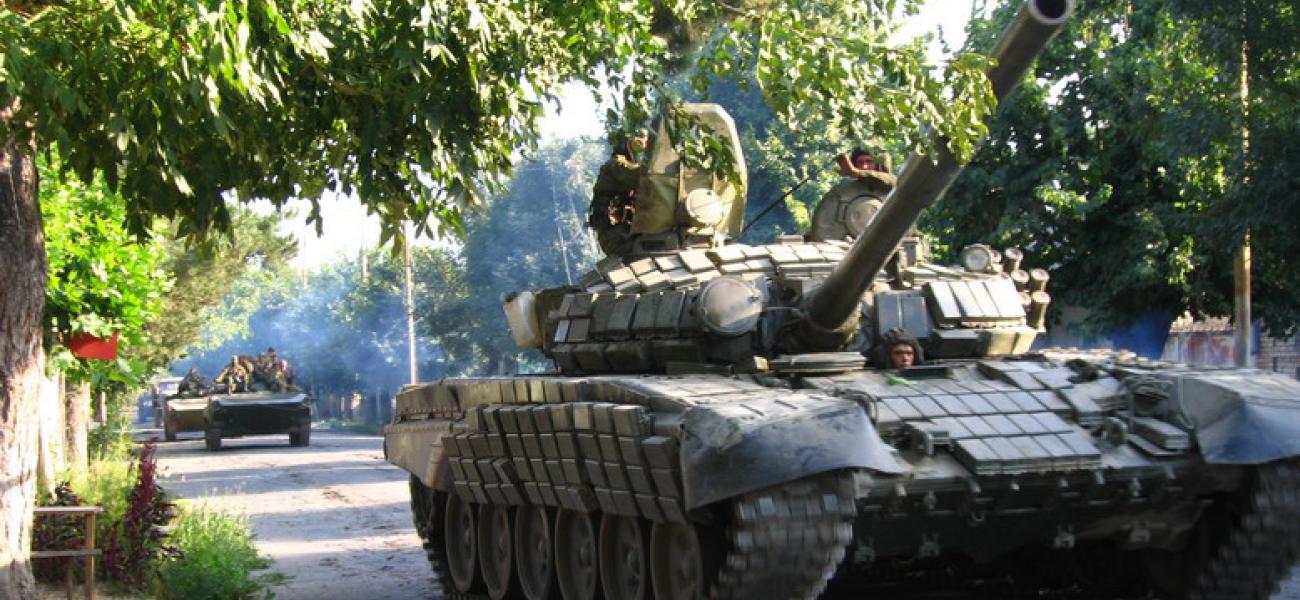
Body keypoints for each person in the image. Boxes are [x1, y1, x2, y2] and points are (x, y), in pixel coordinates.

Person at [588, 129, 650, 258]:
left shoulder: (625, 166)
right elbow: (640, 177)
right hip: (615, 235)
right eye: (639, 143)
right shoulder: (615, 165)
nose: (643, 147)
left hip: (625, 231)